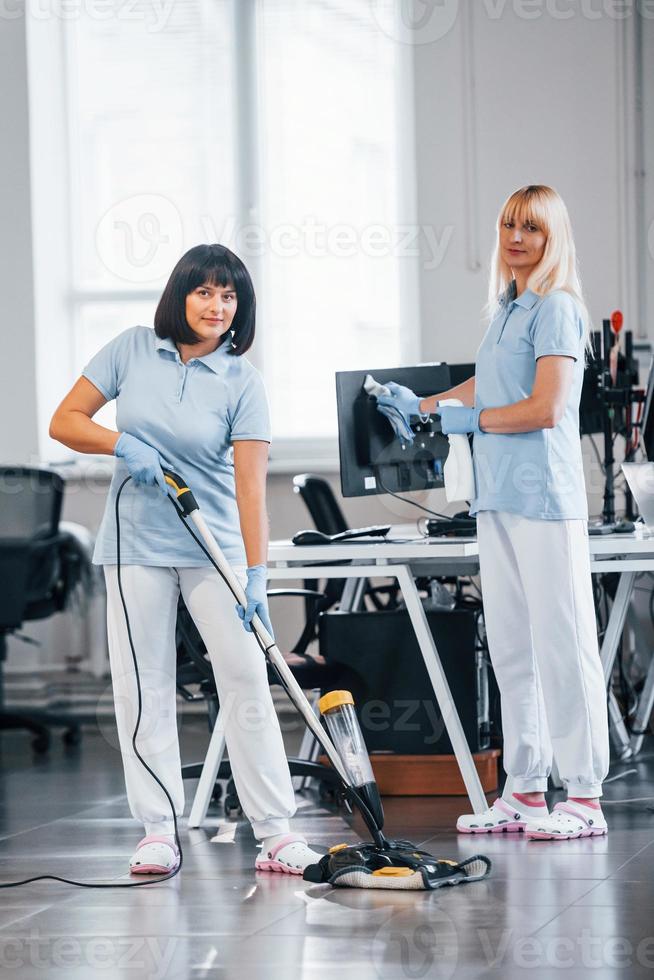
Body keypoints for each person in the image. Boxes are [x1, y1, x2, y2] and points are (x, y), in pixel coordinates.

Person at [50, 243, 321, 874]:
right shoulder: (132, 349)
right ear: (181, 294)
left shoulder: (243, 382)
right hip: (135, 544)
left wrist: (256, 572)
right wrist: (121, 443)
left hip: (212, 546)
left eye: (229, 297)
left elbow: (252, 487)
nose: (217, 306)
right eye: (205, 292)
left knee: (248, 678)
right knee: (144, 686)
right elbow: (66, 421)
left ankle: (277, 833)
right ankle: (158, 830)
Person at [376, 185, 609, 841]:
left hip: (545, 498)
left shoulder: (558, 307)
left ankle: (585, 797)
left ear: (552, 237)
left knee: (562, 647)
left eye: (531, 227)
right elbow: (489, 385)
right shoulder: (509, 310)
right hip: (498, 497)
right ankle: (526, 790)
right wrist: (421, 404)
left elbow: (547, 407)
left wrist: (467, 419)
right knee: (512, 648)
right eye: (508, 224)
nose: (515, 236)